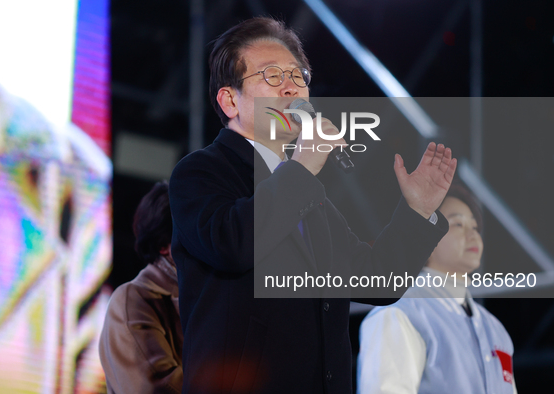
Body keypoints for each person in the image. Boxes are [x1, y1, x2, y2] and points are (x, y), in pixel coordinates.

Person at [169, 17, 457, 393]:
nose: (291, 87)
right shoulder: (202, 172)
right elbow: (232, 244)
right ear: (229, 100)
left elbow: (379, 280)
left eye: (298, 74)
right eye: (272, 76)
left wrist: (417, 211)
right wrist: (302, 168)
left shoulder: (309, 196)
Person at [357, 184, 517, 394]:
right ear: (425, 237)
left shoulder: (495, 329)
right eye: (458, 224)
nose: (472, 234)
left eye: (475, 227)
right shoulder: (399, 313)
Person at [99, 182, 183, 394]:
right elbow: (158, 388)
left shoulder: (210, 298)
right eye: (192, 229)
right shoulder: (132, 300)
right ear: (163, 245)